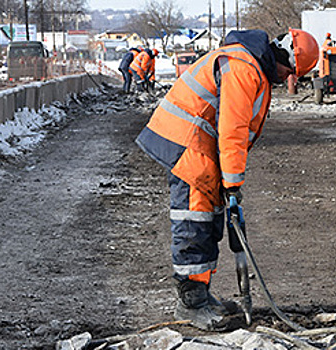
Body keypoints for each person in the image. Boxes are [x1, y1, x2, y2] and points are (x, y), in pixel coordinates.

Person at [135, 29, 319, 330]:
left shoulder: (251, 65)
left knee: (210, 222)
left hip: (200, 145)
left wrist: (229, 183)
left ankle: (201, 295)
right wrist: (233, 183)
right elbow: (232, 130)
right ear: (282, 57)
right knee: (194, 221)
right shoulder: (244, 67)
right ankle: (190, 301)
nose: (287, 79)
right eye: (289, 72)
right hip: (187, 143)